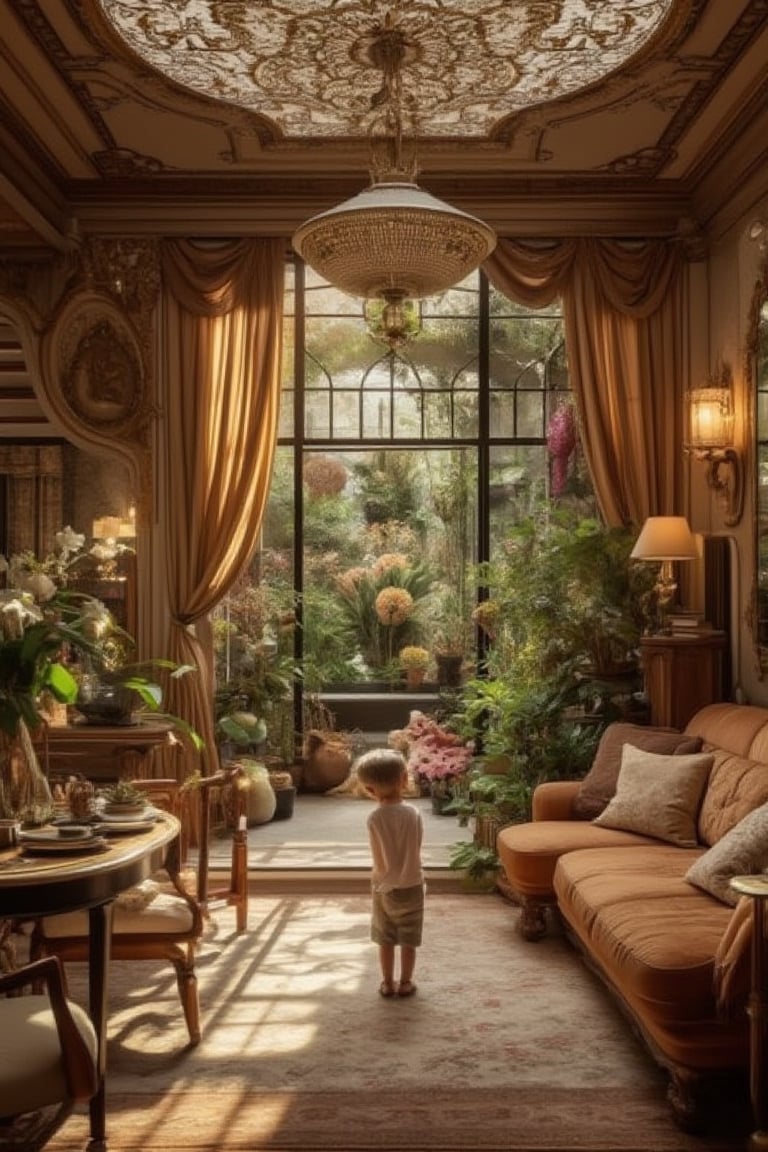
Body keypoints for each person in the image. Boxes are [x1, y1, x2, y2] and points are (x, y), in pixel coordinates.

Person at [355, 747, 425, 998]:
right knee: (408, 938)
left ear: (369, 790)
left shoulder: (374, 818)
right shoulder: (414, 813)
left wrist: (381, 877)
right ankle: (406, 982)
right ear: (404, 779)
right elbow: (416, 847)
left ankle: (387, 982)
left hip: (384, 886)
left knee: (385, 937)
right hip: (413, 884)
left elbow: (377, 856)